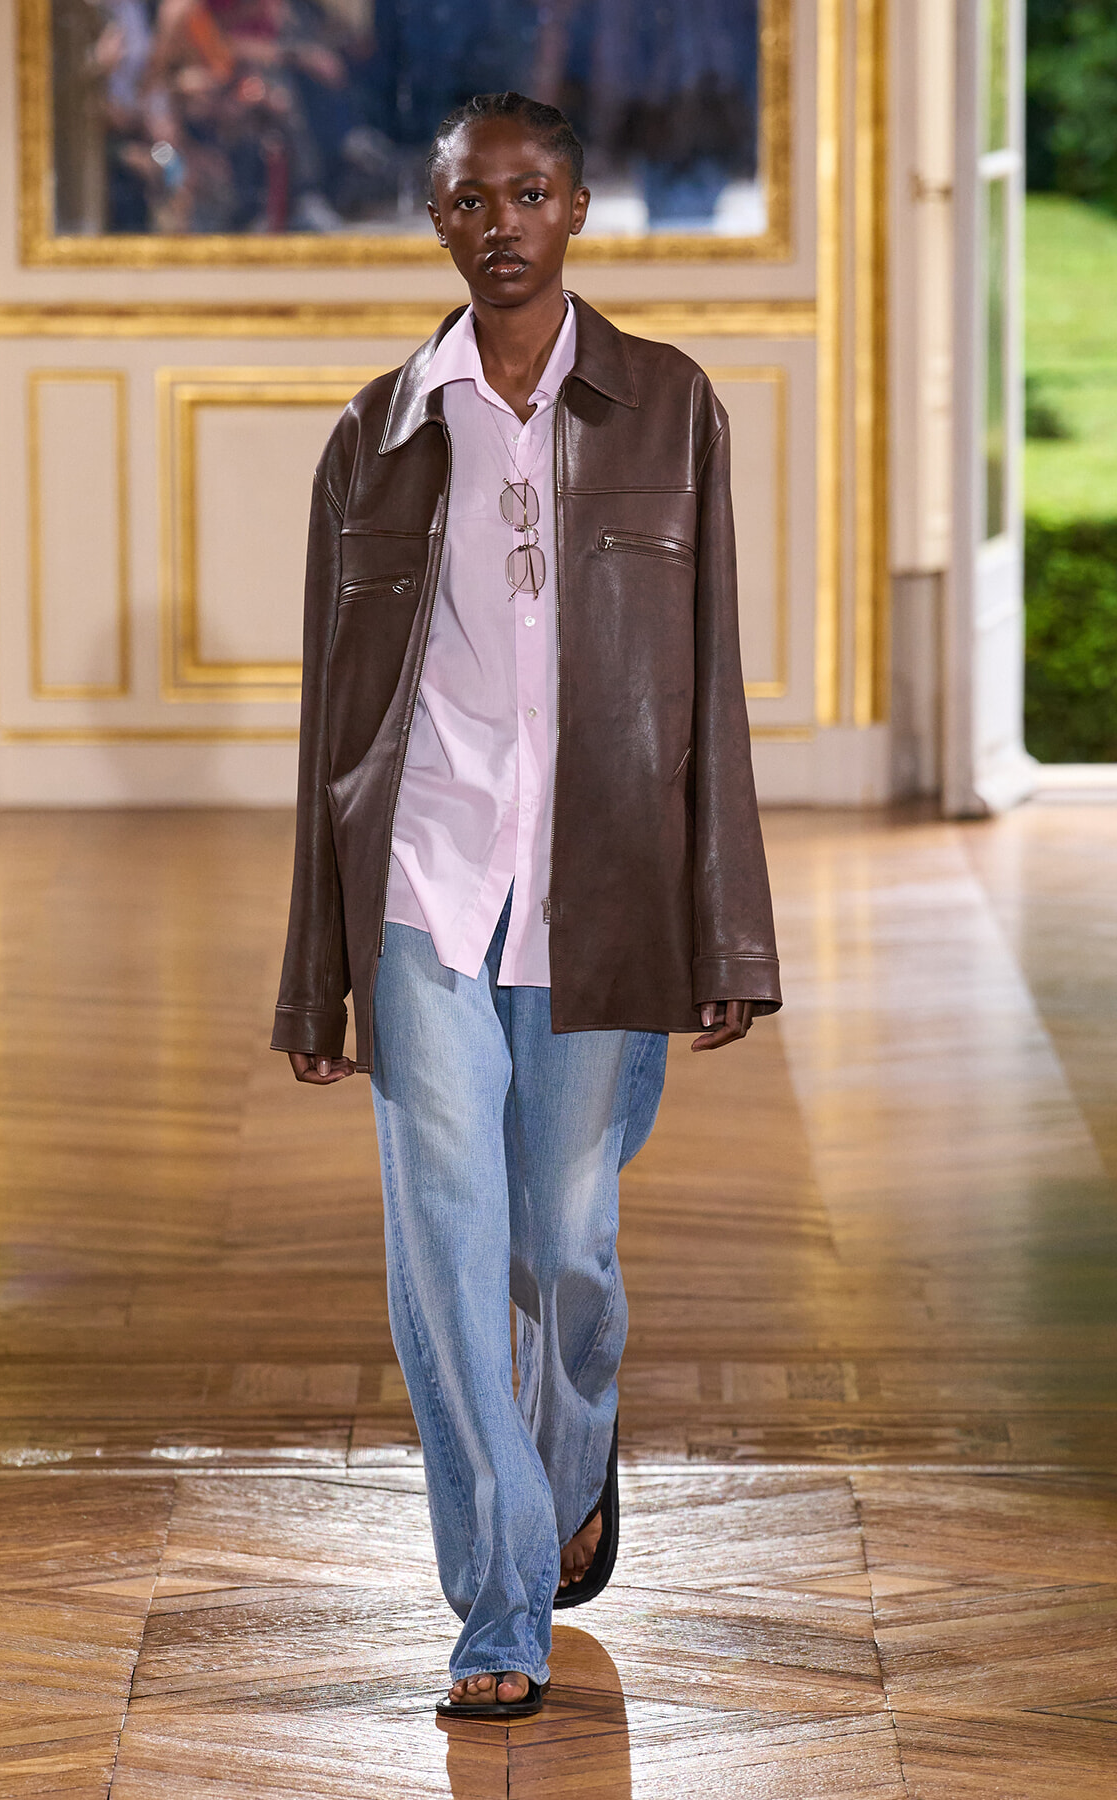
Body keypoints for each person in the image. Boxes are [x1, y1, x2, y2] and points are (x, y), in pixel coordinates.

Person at [272, 90, 780, 1720]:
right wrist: (315, 974)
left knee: (566, 1246)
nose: (502, 224)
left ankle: (570, 1458)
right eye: (470, 200)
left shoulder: (670, 408)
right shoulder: (376, 432)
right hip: (422, 886)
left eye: (532, 194)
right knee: (446, 1249)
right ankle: (498, 1606)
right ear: (436, 221)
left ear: (576, 214)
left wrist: (729, 929)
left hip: (603, 895)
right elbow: (331, 739)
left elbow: (708, 696)